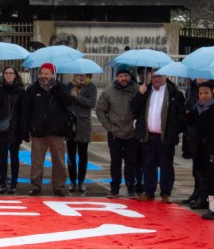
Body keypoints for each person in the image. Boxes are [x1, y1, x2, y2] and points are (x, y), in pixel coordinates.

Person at [20, 63, 74, 197]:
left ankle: (59, 186)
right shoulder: (32, 90)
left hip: (57, 131)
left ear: (52, 74)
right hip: (38, 131)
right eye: (42, 73)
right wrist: (25, 129)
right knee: (37, 161)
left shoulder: (60, 87)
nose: (44, 76)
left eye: (47, 73)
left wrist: (58, 89)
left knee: (59, 161)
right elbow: (26, 111)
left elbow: (68, 102)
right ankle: (35, 186)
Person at [131, 69, 185, 202]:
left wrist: (173, 131)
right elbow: (134, 109)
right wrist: (140, 94)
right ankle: (149, 191)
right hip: (148, 136)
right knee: (148, 165)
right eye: (154, 76)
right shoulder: (146, 91)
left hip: (165, 137)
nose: (156, 79)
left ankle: (166, 192)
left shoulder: (175, 94)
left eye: (159, 76)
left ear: (165, 77)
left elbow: (181, 117)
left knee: (166, 165)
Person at [95, 66, 140, 198]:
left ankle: (131, 188)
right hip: (115, 133)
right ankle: (114, 188)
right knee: (115, 161)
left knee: (131, 162)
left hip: (132, 133)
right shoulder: (109, 91)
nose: (123, 78)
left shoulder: (137, 90)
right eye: (121, 76)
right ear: (117, 77)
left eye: (126, 75)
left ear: (130, 77)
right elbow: (100, 110)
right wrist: (109, 126)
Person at [186, 82, 214, 219]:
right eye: (200, 93)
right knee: (207, 176)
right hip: (202, 150)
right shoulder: (197, 109)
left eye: (206, 93)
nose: (203, 96)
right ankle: (211, 205)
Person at [0, 66, 24, 194]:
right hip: (2, 125)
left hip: (15, 125)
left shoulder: (21, 90)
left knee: (14, 155)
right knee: (3, 156)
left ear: (15, 75)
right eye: (6, 73)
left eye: (11, 73)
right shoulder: (0, 88)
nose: (9, 75)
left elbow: (23, 108)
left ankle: (14, 183)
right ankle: (3, 182)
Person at [66, 72, 97, 194]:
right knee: (71, 154)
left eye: (83, 75)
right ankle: (72, 180)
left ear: (88, 76)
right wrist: (70, 95)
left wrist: (77, 96)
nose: (80, 77)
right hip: (71, 124)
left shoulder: (91, 87)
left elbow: (91, 103)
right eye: (78, 74)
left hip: (84, 124)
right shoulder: (69, 85)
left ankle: (81, 181)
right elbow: (65, 102)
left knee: (83, 155)